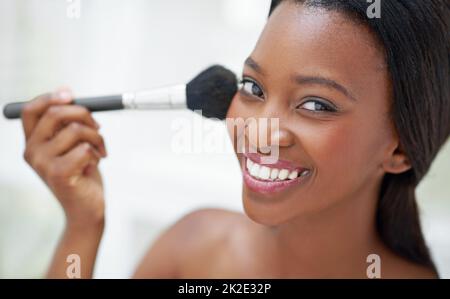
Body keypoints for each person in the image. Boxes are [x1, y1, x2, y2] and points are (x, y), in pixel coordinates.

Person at [21, 0, 449, 278]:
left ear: (399, 148)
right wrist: (82, 227)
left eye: (317, 105)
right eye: (253, 88)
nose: (258, 130)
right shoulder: (194, 250)